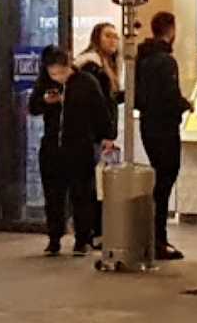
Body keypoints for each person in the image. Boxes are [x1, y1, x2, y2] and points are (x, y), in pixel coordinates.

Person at [29, 45, 111, 257]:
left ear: (69, 67)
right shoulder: (45, 84)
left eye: (61, 73)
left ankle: (82, 238)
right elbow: (33, 107)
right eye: (53, 73)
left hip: (80, 146)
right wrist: (46, 102)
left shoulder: (86, 83)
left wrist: (106, 136)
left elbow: (100, 111)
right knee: (53, 195)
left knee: (81, 194)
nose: (58, 78)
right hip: (52, 147)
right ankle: (54, 237)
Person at [136, 11, 191, 261]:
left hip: (148, 124)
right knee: (166, 179)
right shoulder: (166, 61)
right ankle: (158, 238)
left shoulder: (142, 58)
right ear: (171, 29)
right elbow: (170, 95)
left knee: (159, 179)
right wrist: (185, 104)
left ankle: (152, 235)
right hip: (165, 127)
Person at [75, 22, 122, 244]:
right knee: (92, 185)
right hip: (92, 136)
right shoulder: (91, 66)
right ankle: (91, 232)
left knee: (97, 183)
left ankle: (93, 231)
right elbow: (98, 104)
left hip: (99, 134)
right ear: (97, 38)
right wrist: (104, 134)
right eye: (108, 36)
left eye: (115, 37)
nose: (113, 41)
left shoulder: (106, 65)